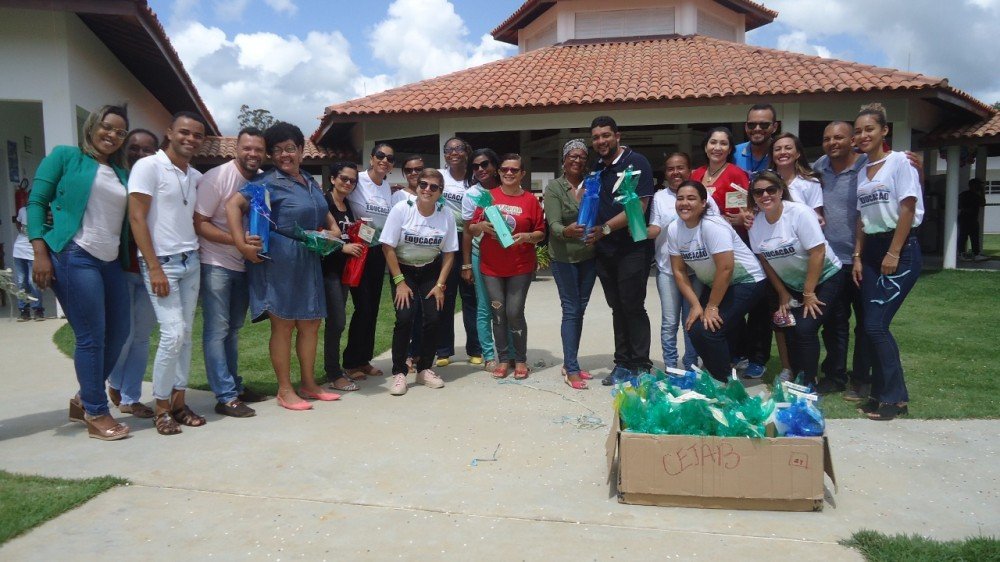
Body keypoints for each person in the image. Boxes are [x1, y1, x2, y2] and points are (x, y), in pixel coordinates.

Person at [30, 104, 132, 440]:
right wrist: (40, 252)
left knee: (118, 333)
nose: (112, 135)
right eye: (107, 127)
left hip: (111, 260)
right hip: (74, 254)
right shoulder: (65, 156)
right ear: (91, 126)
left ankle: (82, 398)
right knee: (91, 336)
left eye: (120, 132)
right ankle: (96, 411)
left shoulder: (121, 173)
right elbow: (37, 201)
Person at [226, 122, 342, 411]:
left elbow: (326, 215)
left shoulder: (309, 180)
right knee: (284, 325)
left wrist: (333, 232)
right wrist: (241, 244)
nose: (284, 155)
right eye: (277, 150)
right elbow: (232, 206)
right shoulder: (267, 181)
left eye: (290, 148)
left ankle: (309, 384)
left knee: (311, 324)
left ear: (302, 151)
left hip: (308, 259)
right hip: (280, 260)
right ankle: (285, 389)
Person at [128, 111, 208, 435]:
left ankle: (178, 401)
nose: (190, 139)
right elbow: (136, 218)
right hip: (162, 263)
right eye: (184, 132)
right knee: (173, 333)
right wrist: (154, 266)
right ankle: (161, 406)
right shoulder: (148, 167)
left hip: (192, 261)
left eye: (197, 135)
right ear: (170, 132)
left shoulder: (196, 176)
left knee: (186, 335)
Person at [851, 103, 924, 421]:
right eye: (858, 130)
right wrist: (857, 255)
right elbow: (862, 219)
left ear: (884, 131)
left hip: (900, 247)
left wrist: (894, 253)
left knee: (877, 325)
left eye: (869, 129)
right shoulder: (862, 171)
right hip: (870, 251)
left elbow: (908, 208)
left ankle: (894, 398)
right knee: (870, 327)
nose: (863, 135)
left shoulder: (899, 163)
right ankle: (881, 393)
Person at [193, 127, 268, 418]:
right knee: (216, 330)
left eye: (258, 150)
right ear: (236, 148)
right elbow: (199, 223)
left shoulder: (260, 180)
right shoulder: (217, 177)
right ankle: (225, 396)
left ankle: (234, 386)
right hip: (216, 264)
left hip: (243, 265)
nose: (253, 154)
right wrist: (237, 242)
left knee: (233, 330)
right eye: (247, 148)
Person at [748, 171, 843, 385]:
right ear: (753, 196)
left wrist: (809, 293)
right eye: (758, 192)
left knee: (805, 328)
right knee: (791, 328)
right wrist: (783, 293)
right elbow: (765, 261)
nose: (765, 195)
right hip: (792, 285)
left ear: (781, 191)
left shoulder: (800, 213)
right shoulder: (756, 224)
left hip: (825, 277)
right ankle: (799, 374)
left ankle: (809, 384)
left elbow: (818, 252)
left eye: (771, 190)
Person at [667, 180, 767, 382]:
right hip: (720, 284)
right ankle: (719, 373)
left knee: (711, 330)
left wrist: (712, 306)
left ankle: (725, 384)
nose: (684, 203)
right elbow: (679, 271)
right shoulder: (674, 229)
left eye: (691, 198)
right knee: (695, 329)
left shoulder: (713, 226)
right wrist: (696, 305)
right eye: (680, 198)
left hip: (747, 280)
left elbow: (726, 267)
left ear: (704, 203)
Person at [691, 128, 769, 379]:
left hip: (733, 247)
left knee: (743, 308)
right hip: (705, 251)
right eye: (713, 142)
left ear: (730, 149)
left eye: (723, 144)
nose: (717, 147)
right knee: (724, 310)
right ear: (705, 146)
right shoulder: (697, 174)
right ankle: (730, 355)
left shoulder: (736, 175)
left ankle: (752, 358)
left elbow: (740, 214)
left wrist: (722, 219)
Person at [587, 116, 655, 385]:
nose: (601, 141)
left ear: (618, 135)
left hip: (632, 248)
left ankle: (641, 365)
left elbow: (639, 206)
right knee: (617, 307)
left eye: (606, 135)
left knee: (633, 305)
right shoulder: (598, 168)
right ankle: (622, 364)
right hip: (605, 251)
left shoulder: (636, 163)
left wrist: (603, 229)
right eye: (596, 137)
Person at [381, 169, 458, 395]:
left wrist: (440, 285)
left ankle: (424, 368)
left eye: (434, 187)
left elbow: (450, 253)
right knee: (404, 317)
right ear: (417, 186)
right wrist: (399, 282)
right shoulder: (402, 209)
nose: (427, 190)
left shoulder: (446, 215)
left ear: (440, 192)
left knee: (433, 318)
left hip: (430, 270)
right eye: (423, 184)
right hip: (403, 270)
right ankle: (399, 372)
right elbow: (388, 246)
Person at [469, 154, 546, 380]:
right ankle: (503, 359)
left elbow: (541, 233)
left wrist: (527, 236)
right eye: (505, 169)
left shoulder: (531, 200)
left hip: (520, 266)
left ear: (522, 173)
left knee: (514, 312)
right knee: (498, 313)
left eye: (514, 170)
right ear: (499, 172)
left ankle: (520, 359)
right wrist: (480, 225)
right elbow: (472, 228)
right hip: (491, 266)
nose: (509, 173)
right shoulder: (488, 197)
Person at [105, 128, 161, 420]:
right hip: (122, 268)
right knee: (123, 336)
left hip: (152, 269)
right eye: (134, 148)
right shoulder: (114, 180)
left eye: (147, 149)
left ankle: (130, 397)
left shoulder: (159, 180)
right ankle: (115, 383)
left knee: (141, 337)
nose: (140, 154)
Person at [813, 121, 870, 397]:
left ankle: (861, 378)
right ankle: (834, 376)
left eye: (839, 137)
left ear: (852, 140)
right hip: (831, 262)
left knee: (867, 323)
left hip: (862, 258)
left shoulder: (868, 166)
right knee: (834, 323)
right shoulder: (819, 167)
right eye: (827, 138)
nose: (832, 142)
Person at [543, 139, 597, 390]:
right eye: (572, 156)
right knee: (571, 310)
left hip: (589, 256)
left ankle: (570, 362)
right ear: (564, 160)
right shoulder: (554, 187)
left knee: (580, 309)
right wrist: (567, 231)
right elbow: (552, 224)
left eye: (582, 157)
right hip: (563, 257)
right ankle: (571, 368)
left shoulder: (593, 184)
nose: (577, 160)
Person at [343, 143, 395, 380]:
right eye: (380, 156)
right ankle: (351, 362)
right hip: (357, 250)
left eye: (389, 158)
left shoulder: (386, 187)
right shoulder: (358, 180)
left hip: (377, 252)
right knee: (362, 307)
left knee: (372, 308)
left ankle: (364, 360)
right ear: (372, 159)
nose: (384, 160)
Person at [646, 152, 701, 371]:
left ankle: (691, 364)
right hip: (667, 269)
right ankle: (671, 366)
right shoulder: (659, 197)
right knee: (669, 322)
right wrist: (635, 229)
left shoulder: (699, 193)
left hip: (696, 270)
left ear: (689, 170)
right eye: (670, 168)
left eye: (680, 167)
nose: (675, 172)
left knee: (692, 319)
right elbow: (655, 227)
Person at [460, 148, 510, 372]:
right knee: (484, 307)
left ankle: (508, 352)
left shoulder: (506, 189)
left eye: (485, 164)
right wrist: (467, 264)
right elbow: (467, 231)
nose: (481, 169)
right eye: (475, 166)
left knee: (508, 307)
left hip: (507, 256)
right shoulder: (471, 194)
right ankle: (489, 354)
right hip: (480, 256)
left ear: (495, 165)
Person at [435, 137, 482, 367]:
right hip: (444, 247)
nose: (454, 152)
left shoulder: (474, 179)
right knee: (445, 296)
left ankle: (475, 348)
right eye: (449, 149)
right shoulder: (438, 177)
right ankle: (443, 349)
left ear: (466, 152)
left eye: (458, 148)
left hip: (470, 244)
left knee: (470, 299)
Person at [322, 162, 365, 392]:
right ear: (333, 179)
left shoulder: (346, 204)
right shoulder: (324, 202)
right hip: (327, 270)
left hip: (344, 272)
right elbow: (316, 236)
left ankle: (334, 369)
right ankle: (333, 372)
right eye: (343, 178)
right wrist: (342, 248)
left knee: (338, 322)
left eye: (352, 181)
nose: (348, 183)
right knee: (336, 322)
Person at [772, 132, 824, 223]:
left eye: (788, 148)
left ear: (798, 154)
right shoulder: (765, 183)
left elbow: (816, 217)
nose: (782, 152)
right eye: (777, 149)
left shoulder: (811, 183)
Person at [12, 205, 44, 321]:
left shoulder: (41, 210)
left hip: (33, 250)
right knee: (21, 281)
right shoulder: (22, 210)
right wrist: (21, 231)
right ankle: (23, 310)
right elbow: (17, 222)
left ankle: (38, 309)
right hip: (19, 249)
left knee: (33, 280)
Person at [734, 103, 778, 175]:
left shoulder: (780, 155)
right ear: (746, 127)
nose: (757, 129)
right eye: (751, 125)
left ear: (775, 127)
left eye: (764, 125)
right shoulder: (734, 153)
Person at [959, 178, 987, 261]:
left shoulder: (977, 196)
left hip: (973, 219)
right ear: (972, 185)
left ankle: (976, 254)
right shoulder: (965, 194)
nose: (979, 186)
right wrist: (967, 210)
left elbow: (983, 203)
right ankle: (961, 253)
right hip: (965, 218)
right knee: (963, 237)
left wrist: (982, 192)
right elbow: (959, 205)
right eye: (978, 185)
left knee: (974, 237)